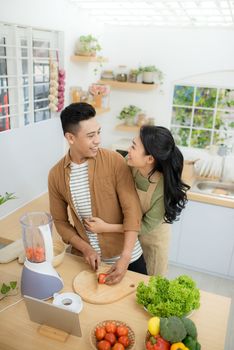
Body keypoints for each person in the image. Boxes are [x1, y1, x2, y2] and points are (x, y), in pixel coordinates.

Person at [48, 102, 147, 285]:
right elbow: (60, 222)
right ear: (70, 138)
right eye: (91, 135)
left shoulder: (114, 161)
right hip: (87, 262)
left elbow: (132, 212)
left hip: (129, 257)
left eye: (99, 132)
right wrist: (85, 248)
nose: (98, 140)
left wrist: (125, 258)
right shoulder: (56, 175)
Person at [84, 125, 190, 276]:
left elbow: (145, 226)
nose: (128, 150)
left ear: (149, 159)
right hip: (129, 238)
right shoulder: (130, 163)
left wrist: (106, 227)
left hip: (151, 240)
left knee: (151, 284)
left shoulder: (162, 189)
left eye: (133, 147)